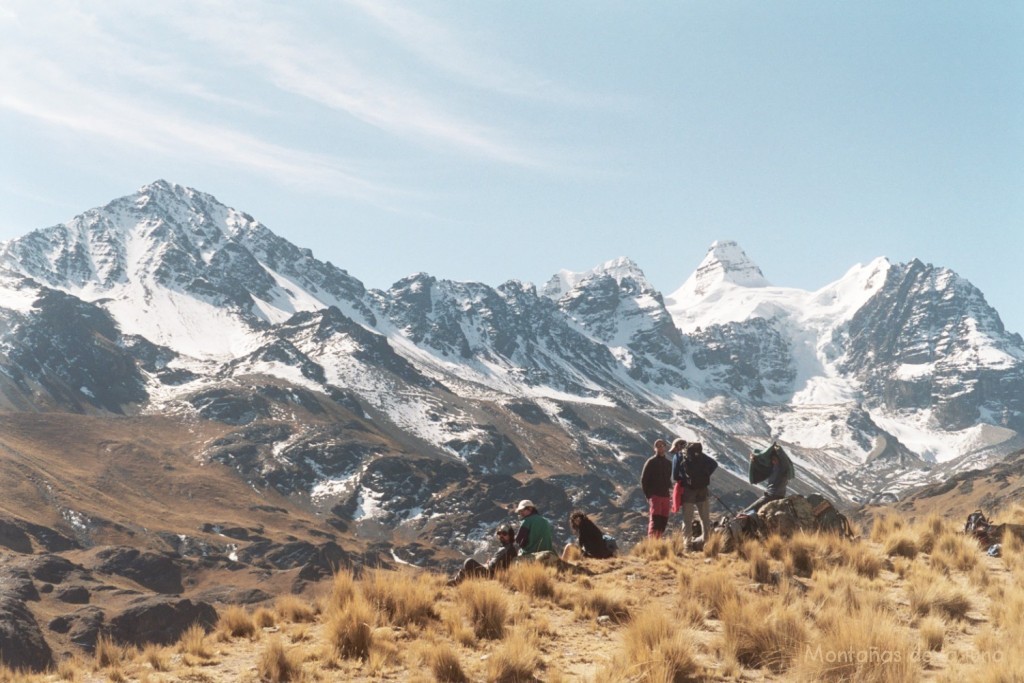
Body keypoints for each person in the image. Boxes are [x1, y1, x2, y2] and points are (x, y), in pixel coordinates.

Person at [447, 523, 518, 586]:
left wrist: (488, 563)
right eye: (499, 533)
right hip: (494, 574)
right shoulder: (508, 548)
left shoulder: (507, 549)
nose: (501, 535)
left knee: (468, 562)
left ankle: (457, 582)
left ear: (510, 536)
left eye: (504, 533)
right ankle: (458, 581)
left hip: (492, 576)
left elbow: (492, 566)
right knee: (470, 566)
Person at [678, 441, 718, 549]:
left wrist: (686, 480)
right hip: (702, 489)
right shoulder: (701, 456)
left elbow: (676, 474)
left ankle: (688, 544)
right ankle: (707, 543)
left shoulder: (684, 456)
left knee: (687, 518)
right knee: (704, 518)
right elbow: (714, 464)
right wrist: (705, 475)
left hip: (689, 490)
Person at [640, 439, 673, 538]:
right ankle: (652, 543)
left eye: (662, 445)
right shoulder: (651, 462)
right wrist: (648, 495)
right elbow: (644, 480)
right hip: (655, 496)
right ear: (655, 448)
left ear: (665, 447)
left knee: (663, 520)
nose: (660, 447)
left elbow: (668, 479)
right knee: (655, 520)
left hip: (666, 496)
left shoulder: (668, 463)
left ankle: (658, 541)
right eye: (658, 446)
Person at [745, 445, 790, 514]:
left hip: (772, 495)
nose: (773, 461)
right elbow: (762, 468)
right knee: (753, 510)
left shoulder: (782, 469)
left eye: (775, 459)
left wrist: (779, 450)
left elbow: (785, 460)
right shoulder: (773, 468)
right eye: (772, 460)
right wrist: (754, 460)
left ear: (779, 459)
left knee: (748, 511)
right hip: (774, 495)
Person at [669, 438, 688, 514]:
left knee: (687, 515)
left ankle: (687, 526)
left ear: (678, 446)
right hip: (699, 487)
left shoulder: (677, 456)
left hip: (684, 488)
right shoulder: (696, 455)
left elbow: (675, 476)